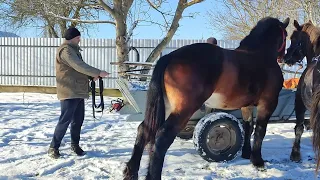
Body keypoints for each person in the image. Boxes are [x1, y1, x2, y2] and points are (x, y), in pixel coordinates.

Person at [48, 27, 109, 159]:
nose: (79, 40)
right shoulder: (66, 51)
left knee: (77, 121)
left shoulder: (73, 50)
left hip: (78, 90)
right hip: (69, 91)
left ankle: (75, 145)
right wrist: (98, 72)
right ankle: (53, 147)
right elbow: (78, 66)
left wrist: (90, 77)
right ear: (71, 38)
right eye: (77, 38)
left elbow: (78, 68)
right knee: (65, 121)